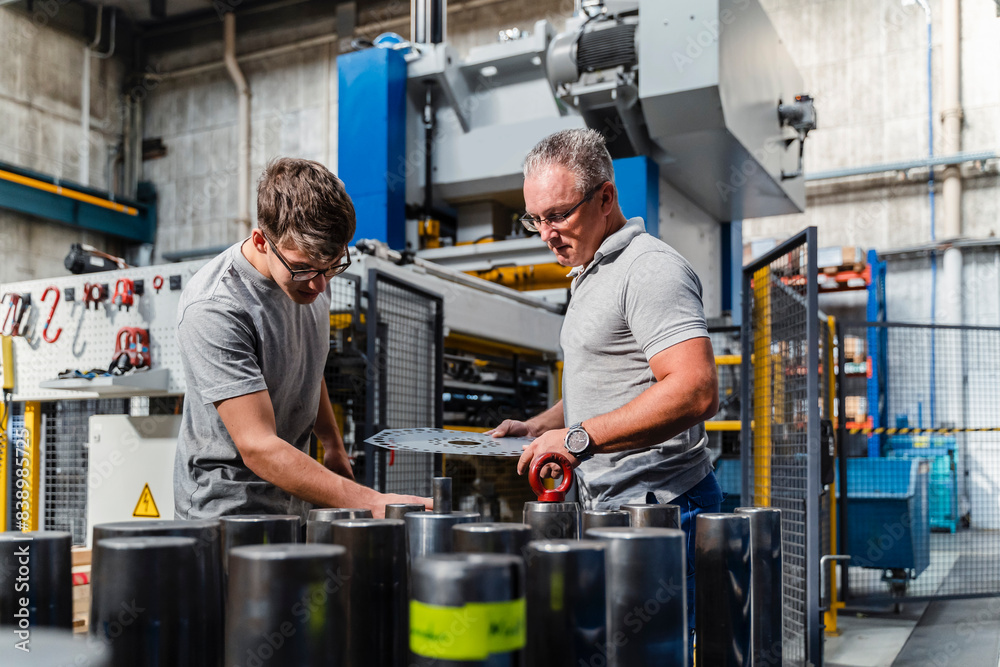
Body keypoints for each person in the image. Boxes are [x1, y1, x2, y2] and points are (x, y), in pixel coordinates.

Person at [489, 129, 721, 653]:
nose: (545, 233)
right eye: (535, 219)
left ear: (606, 198)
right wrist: (541, 426)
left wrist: (575, 441)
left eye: (558, 215)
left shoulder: (648, 269)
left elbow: (695, 389)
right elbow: (609, 387)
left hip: (662, 512)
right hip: (613, 509)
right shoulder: (590, 275)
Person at [173, 158, 429, 520]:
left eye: (332, 266)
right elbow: (258, 445)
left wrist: (332, 443)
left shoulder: (312, 276)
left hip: (295, 497)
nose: (319, 285)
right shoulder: (216, 306)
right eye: (304, 267)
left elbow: (306, 367)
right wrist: (371, 501)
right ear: (262, 241)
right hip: (227, 511)